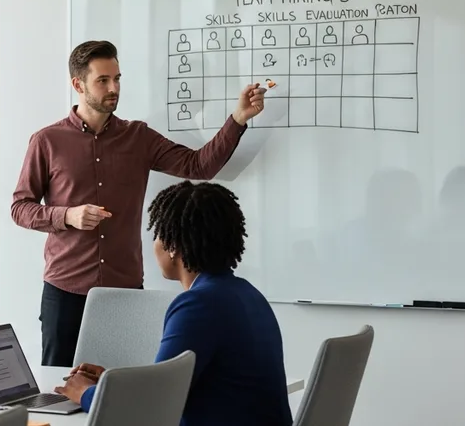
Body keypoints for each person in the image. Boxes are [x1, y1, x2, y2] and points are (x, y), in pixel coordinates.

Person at [10, 40, 265, 367]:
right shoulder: (47, 141)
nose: (113, 88)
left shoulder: (139, 137)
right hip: (66, 292)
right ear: (78, 84)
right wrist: (67, 215)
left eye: (117, 78)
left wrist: (238, 118)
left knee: (126, 390)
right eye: (103, 80)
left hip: (126, 292)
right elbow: (20, 207)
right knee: (59, 393)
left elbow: (199, 165)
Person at [54, 182, 293, 426]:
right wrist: (112, 382)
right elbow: (178, 384)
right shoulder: (248, 294)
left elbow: (155, 405)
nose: (155, 243)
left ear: (173, 246)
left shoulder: (199, 305)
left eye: (158, 233)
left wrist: (85, 393)